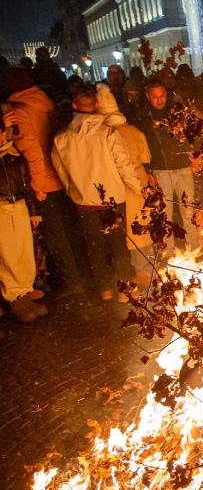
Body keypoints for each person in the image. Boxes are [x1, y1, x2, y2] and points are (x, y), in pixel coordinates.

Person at [51, 84, 142, 300]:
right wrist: (140, 188)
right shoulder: (108, 133)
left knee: (95, 247)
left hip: (85, 202)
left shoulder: (61, 138)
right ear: (96, 104)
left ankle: (105, 289)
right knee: (118, 244)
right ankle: (125, 289)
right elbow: (124, 165)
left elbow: (62, 172)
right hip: (113, 200)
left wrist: (75, 192)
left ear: (74, 105)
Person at [2, 67, 86, 294]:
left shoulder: (20, 111)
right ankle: (81, 275)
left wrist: (36, 186)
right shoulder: (44, 102)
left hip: (45, 182)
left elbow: (32, 152)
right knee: (69, 230)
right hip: (60, 175)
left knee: (56, 237)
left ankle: (71, 280)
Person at [96, 83, 154, 286]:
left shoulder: (103, 137)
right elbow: (146, 156)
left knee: (132, 233)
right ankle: (148, 268)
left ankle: (142, 272)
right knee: (143, 228)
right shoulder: (133, 131)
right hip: (141, 184)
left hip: (121, 187)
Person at [138, 79, 198, 249]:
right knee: (166, 214)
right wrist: (147, 170)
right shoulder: (143, 118)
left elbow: (191, 135)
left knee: (188, 211)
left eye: (162, 95)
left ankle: (194, 248)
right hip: (161, 171)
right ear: (148, 97)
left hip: (183, 168)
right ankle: (169, 253)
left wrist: (193, 155)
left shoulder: (177, 113)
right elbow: (141, 147)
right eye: (154, 96)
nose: (159, 100)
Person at [0, 120, 47, 322]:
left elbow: (26, 184)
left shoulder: (14, 156)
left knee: (23, 250)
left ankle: (25, 292)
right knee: (8, 254)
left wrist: (33, 211)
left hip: (18, 206)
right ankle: (14, 297)